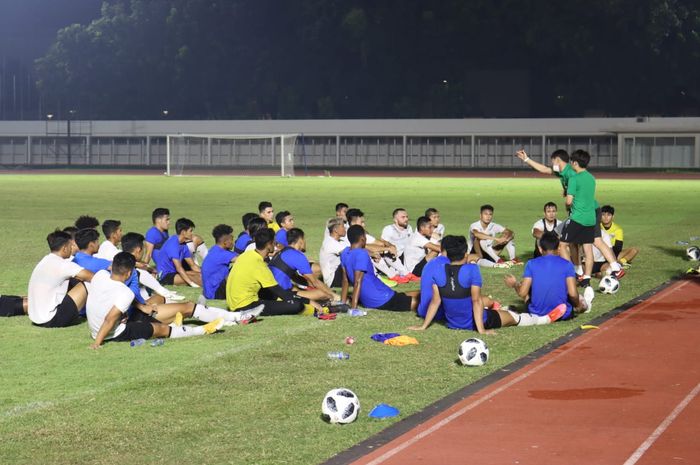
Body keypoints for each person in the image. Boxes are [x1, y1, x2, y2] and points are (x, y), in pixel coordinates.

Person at [516, 148, 625, 279]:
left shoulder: (572, 173)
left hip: (586, 211)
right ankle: (580, 271)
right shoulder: (562, 171)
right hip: (582, 211)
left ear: (557, 160)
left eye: (553, 161)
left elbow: (575, 192)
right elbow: (545, 169)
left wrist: (568, 194)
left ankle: (606, 268)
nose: (552, 164)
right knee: (575, 243)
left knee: (589, 241)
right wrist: (526, 159)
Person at [87, 252, 224, 349]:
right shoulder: (125, 292)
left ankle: (178, 326)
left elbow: (106, 299)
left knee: (152, 314)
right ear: (129, 273)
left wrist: (140, 306)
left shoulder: (100, 275)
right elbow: (110, 319)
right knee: (161, 329)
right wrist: (97, 343)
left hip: (96, 328)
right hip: (112, 333)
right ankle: (201, 330)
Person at [408, 236, 522, 333]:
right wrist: (481, 330)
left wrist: (423, 326)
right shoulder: (472, 269)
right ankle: (535, 318)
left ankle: (500, 310)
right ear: (465, 254)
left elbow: (435, 301)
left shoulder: (437, 268)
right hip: (471, 320)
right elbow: (476, 301)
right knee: (514, 317)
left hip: (451, 321)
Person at [504, 232, 594, 321]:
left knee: (526, 288)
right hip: (562, 314)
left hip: (537, 314)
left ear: (540, 249)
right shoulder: (567, 265)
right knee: (577, 296)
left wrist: (514, 284)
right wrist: (578, 306)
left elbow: (523, 293)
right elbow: (573, 294)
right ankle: (586, 304)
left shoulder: (531, 264)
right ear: (558, 248)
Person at [226, 228, 306, 316]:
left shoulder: (246, 255)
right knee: (297, 305)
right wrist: (305, 301)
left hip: (232, 304)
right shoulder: (259, 264)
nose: (275, 246)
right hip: (246, 307)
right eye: (274, 243)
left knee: (273, 294)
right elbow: (280, 292)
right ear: (269, 245)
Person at [341, 225, 419, 311]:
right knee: (419, 303)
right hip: (382, 298)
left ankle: (429, 293)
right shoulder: (361, 254)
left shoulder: (345, 252)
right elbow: (357, 281)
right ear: (363, 238)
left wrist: (342, 302)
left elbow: (345, 280)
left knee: (403, 295)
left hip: (372, 298)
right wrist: (354, 309)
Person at [28, 230, 94, 327]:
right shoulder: (62, 264)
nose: (72, 248)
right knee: (88, 283)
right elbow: (91, 277)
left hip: (37, 318)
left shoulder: (45, 260)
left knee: (74, 280)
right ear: (64, 248)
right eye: (70, 246)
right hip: (52, 319)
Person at [270, 228, 341, 305]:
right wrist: (333, 295)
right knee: (323, 294)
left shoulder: (282, 252)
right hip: (281, 293)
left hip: (272, 291)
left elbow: (295, 277)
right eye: (304, 239)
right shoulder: (297, 255)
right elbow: (315, 282)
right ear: (300, 240)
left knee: (297, 288)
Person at [559, 150, 597, 288]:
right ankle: (586, 278)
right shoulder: (592, 178)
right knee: (587, 248)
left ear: (575, 163)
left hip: (577, 218)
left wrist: (567, 202)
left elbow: (569, 201)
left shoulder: (574, 178)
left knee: (562, 244)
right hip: (590, 218)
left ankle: (571, 273)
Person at [153, 218, 202, 287]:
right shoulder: (173, 244)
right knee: (196, 279)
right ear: (183, 232)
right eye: (190, 231)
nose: (192, 233)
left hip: (175, 272)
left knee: (199, 275)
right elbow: (179, 268)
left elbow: (192, 265)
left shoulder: (183, 244)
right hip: (165, 276)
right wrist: (191, 283)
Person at [201, 224, 238, 300]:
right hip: (216, 294)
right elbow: (244, 260)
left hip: (210, 292)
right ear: (225, 242)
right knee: (240, 267)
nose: (233, 242)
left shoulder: (215, 250)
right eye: (232, 239)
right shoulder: (222, 254)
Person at [600, 205, 638, 269]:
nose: (606, 217)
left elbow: (618, 248)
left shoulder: (618, 230)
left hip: (613, 253)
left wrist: (610, 256)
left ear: (613, 216)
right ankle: (617, 263)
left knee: (634, 250)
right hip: (599, 252)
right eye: (603, 215)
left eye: (608, 215)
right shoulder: (597, 226)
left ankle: (620, 262)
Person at [319, 217, 349, 288]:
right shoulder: (330, 243)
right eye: (342, 226)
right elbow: (351, 253)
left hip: (336, 275)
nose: (345, 228)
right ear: (335, 230)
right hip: (332, 280)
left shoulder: (338, 241)